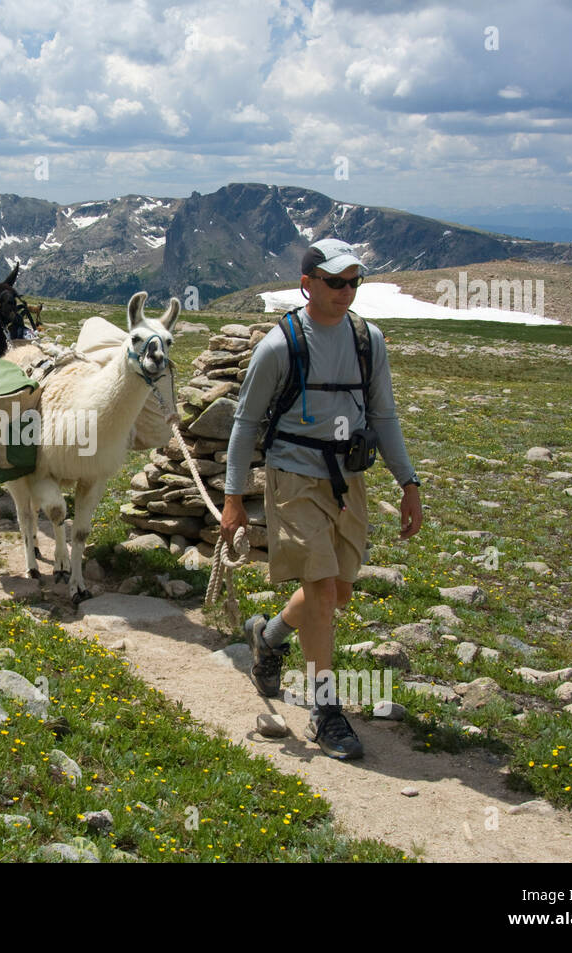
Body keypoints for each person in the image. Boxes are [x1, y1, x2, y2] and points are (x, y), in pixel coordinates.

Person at [219, 238, 423, 760]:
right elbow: (244, 425)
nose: (346, 291)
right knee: (324, 592)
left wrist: (409, 483)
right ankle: (326, 710)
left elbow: (384, 417)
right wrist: (234, 498)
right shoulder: (279, 346)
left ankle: (269, 637)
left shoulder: (368, 341)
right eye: (336, 281)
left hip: (349, 478)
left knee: (337, 593)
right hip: (294, 478)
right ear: (307, 283)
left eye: (354, 281)